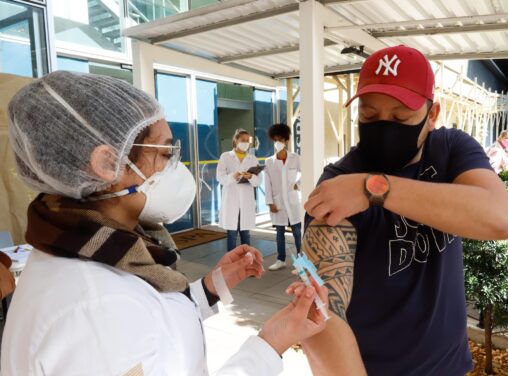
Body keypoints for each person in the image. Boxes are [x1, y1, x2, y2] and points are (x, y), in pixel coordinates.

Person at [1, 71, 328, 375]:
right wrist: (270, 343)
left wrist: (210, 288)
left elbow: (152, 326)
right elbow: (131, 317)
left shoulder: (102, 251)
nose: (175, 167)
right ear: (107, 163)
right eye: (164, 153)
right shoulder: (97, 308)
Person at [297, 45, 508, 375]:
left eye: (401, 117)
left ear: (432, 115)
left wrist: (372, 189)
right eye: (369, 115)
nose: (384, 127)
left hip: (451, 367)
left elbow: (499, 220)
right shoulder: (337, 185)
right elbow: (319, 313)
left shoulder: (449, 150)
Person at [264, 123, 303, 271]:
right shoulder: (269, 161)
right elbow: (267, 184)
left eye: (280, 139)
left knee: (297, 233)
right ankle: (281, 259)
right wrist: (270, 202)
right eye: (275, 140)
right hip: (278, 203)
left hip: (292, 202)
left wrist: (298, 185)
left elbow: (307, 172)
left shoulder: (295, 158)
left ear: (286, 140)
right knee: (279, 233)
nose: (278, 143)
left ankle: (301, 261)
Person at [217, 129, 259, 251]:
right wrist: (232, 177)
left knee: (246, 234)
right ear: (236, 141)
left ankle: (248, 261)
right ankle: (231, 263)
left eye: (247, 141)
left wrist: (251, 176)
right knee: (231, 235)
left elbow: (258, 181)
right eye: (243, 140)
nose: (245, 143)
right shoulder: (225, 156)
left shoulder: (252, 159)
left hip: (246, 201)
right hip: (231, 200)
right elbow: (220, 177)